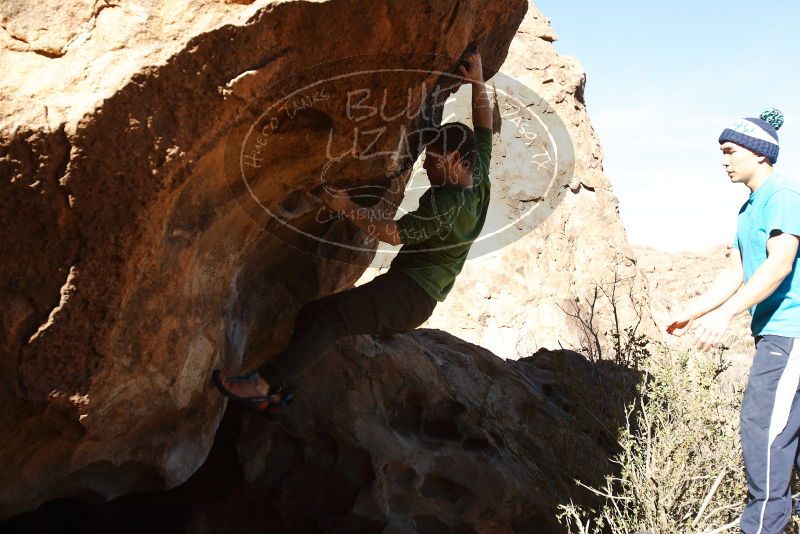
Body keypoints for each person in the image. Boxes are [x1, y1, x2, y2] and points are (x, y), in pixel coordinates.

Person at [212, 51, 494, 417]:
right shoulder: (480, 176)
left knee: (325, 319)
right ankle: (278, 394)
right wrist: (478, 81)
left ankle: (264, 386)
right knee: (320, 316)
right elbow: (484, 125)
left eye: (434, 160)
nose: (426, 165)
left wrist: (346, 207)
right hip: (415, 292)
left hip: (410, 294)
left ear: (456, 160)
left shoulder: (448, 206)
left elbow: (393, 233)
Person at [667, 108, 800, 534]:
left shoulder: (783, 196)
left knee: (763, 433)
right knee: (785, 439)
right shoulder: (749, 209)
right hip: (776, 335)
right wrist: (693, 311)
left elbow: (779, 264)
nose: (723, 161)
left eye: (730, 151)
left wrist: (726, 315)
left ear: (760, 154)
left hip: (790, 333)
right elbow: (735, 270)